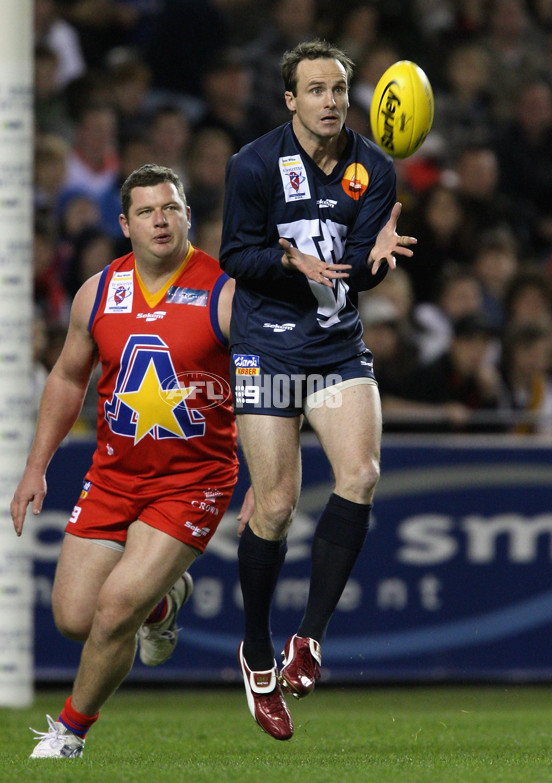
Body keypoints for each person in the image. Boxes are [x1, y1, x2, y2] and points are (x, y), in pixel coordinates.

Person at [219, 39, 416, 741]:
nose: (331, 101)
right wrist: (286, 257)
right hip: (267, 343)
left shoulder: (376, 168)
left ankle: (310, 636)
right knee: (273, 504)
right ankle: (257, 649)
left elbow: (358, 273)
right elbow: (233, 255)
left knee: (360, 473)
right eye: (317, 90)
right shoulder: (252, 164)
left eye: (339, 88)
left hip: (335, 345)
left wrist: (378, 263)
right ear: (290, 100)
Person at [11, 163, 238, 758]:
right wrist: (36, 466)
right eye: (146, 211)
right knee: (73, 617)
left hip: (193, 481)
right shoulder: (98, 290)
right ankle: (163, 603)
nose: (160, 221)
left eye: (170, 207)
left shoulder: (225, 288)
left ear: (187, 213)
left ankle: (67, 734)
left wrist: (274, 473)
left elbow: (268, 382)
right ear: (125, 223)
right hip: (114, 477)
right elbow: (66, 378)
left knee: (115, 611)